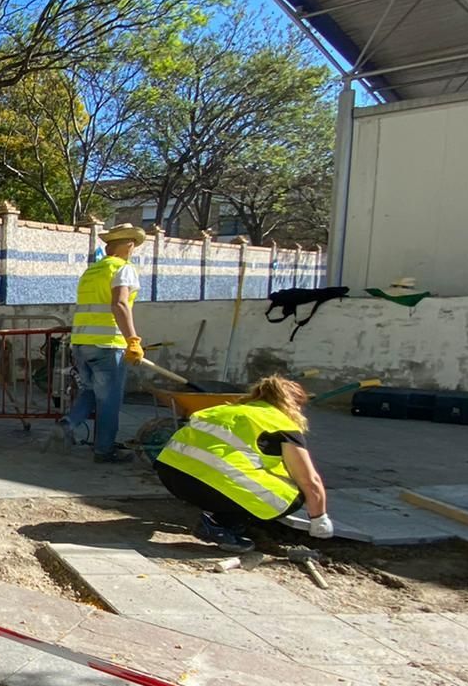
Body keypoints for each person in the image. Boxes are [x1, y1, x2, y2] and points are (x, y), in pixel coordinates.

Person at [155, 375, 332, 553]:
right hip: (204, 484)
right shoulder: (280, 423)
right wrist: (319, 519)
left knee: (244, 479)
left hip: (170, 474)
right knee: (293, 495)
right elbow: (310, 480)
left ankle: (221, 518)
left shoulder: (224, 409)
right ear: (292, 404)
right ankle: (220, 526)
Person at [59, 224, 146, 463]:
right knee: (109, 401)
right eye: (134, 245)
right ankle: (104, 451)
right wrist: (133, 340)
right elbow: (119, 304)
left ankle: (69, 422)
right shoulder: (124, 268)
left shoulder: (92, 271)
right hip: (107, 344)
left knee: (90, 390)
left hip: (80, 342)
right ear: (129, 245)